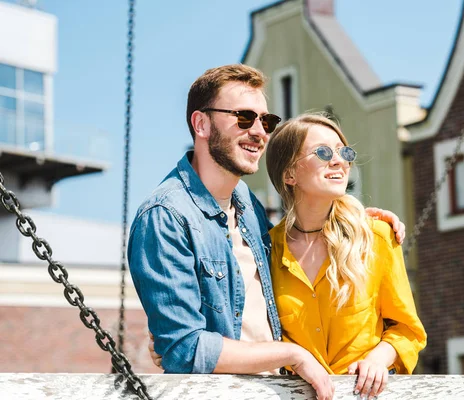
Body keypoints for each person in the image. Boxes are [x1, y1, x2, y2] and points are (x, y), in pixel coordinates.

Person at [128, 64, 404, 400]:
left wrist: (356, 218)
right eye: (244, 117)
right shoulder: (165, 216)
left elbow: (302, 232)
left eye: (265, 121)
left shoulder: (247, 204)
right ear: (201, 123)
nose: (259, 131)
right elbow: (184, 348)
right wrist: (291, 354)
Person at [264, 113, 427, 400]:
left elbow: (408, 330)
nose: (339, 161)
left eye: (344, 152)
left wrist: (378, 359)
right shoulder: (267, 250)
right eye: (323, 152)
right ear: (289, 174)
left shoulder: (377, 237)